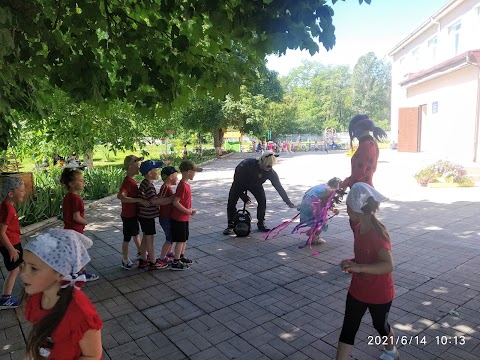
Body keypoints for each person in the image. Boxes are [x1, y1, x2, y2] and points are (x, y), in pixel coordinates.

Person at [336, 183, 398, 360]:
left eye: (348, 205)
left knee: (380, 325)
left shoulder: (378, 236)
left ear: (355, 210)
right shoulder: (357, 227)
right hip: (357, 290)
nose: (346, 209)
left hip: (380, 294)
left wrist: (359, 267)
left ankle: (391, 351)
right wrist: (353, 262)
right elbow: (364, 257)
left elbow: (388, 265)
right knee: (348, 328)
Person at [21, 229, 103, 359]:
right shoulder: (38, 297)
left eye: (33, 268)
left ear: (60, 273)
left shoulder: (80, 312)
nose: (23, 273)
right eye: (23, 264)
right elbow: (40, 333)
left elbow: (93, 356)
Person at [223, 152, 296, 235]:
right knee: (231, 203)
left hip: (256, 185)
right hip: (239, 183)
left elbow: (279, 187)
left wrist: (288, 202)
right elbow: (236, 182)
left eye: (271, 166)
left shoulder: (270, 172)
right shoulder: (246, 165)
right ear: (262, 162)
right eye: (267, 166)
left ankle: (261, 224)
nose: (269, 168)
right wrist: (243, 196)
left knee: (262, 202)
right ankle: (230, 226)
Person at [60, 168, 99, 282]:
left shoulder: (68, 196)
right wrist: (86, 222)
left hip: (69, 229)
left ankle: (77, 272)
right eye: (80, 181)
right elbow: (76, 217)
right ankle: (81, 273)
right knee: (80, 252)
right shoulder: (76, 199)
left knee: (76, 252)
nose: (83, 183)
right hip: (76, 230)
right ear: (72, 184)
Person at [137, 160, 174, 270]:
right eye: (156, 170)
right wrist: (171, 199)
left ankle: (143, 258)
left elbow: (152, 197)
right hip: (147, 217)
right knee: (150, 239)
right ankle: (153, 261)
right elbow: (154, 201)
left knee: (145, 237)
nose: (158, 171)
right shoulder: (148, 185)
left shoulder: (146, 183)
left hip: (144, 216)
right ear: (149, 173)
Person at [117, 155, 149, 270]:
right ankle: (125, 259)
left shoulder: (131, 180)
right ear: (131, 166)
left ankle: (141, 253)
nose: (139, 168)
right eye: (138, 165)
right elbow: (121, 196)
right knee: (127, 238)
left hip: (132, 214)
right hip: (128, 215)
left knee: (136, 234)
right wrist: (138, 200)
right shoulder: (128, 182)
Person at [340, 114, 387, 190]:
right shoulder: (372, 143)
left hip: (361, 192)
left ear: (357, 130)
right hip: (367, 189)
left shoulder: (365, 146)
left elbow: (357, 175)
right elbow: (373, 169)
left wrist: (343, 184)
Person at [170, 160, 202, 270]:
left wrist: (189, 211)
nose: (195, 174)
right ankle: (176, 260)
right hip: (179, 218)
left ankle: (181, 256)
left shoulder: (186, 184)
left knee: (184, 238)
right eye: (194, 172)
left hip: (184, 217)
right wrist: (187, 211)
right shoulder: (182, 186)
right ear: (188, 172)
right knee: (180, 239)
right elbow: (176, 202)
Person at [0, 177, 25, 309]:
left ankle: (32, 286)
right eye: (21, 191)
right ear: (11, 194)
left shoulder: (7, 205)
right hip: (10, 245)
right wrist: (11, 249)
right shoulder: (7, 209)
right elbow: (1, 232)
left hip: (14, 242)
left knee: (21, 265)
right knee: (15, 270)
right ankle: (5, 298)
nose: (24, 193)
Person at [297, 177, 341, 245]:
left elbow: (308, 192)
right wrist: (334, 209)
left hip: (307, 201)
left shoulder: (323, 186)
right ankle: (314, 237)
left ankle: (313, 235)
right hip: (313, 204)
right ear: (336, 185)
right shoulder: (330, 190)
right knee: (322, 220)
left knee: (317, 220)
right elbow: (325, 203)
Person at [156, 166, 179, 267]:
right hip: (165, 217)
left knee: (172, 236)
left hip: (168, 216)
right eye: (175, 176)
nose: (177, 179)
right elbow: (160, 199)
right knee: (169, 238)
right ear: (170, 176)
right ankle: (161, 258)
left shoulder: (167, 187)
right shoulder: (165, 187)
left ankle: (168, 253)